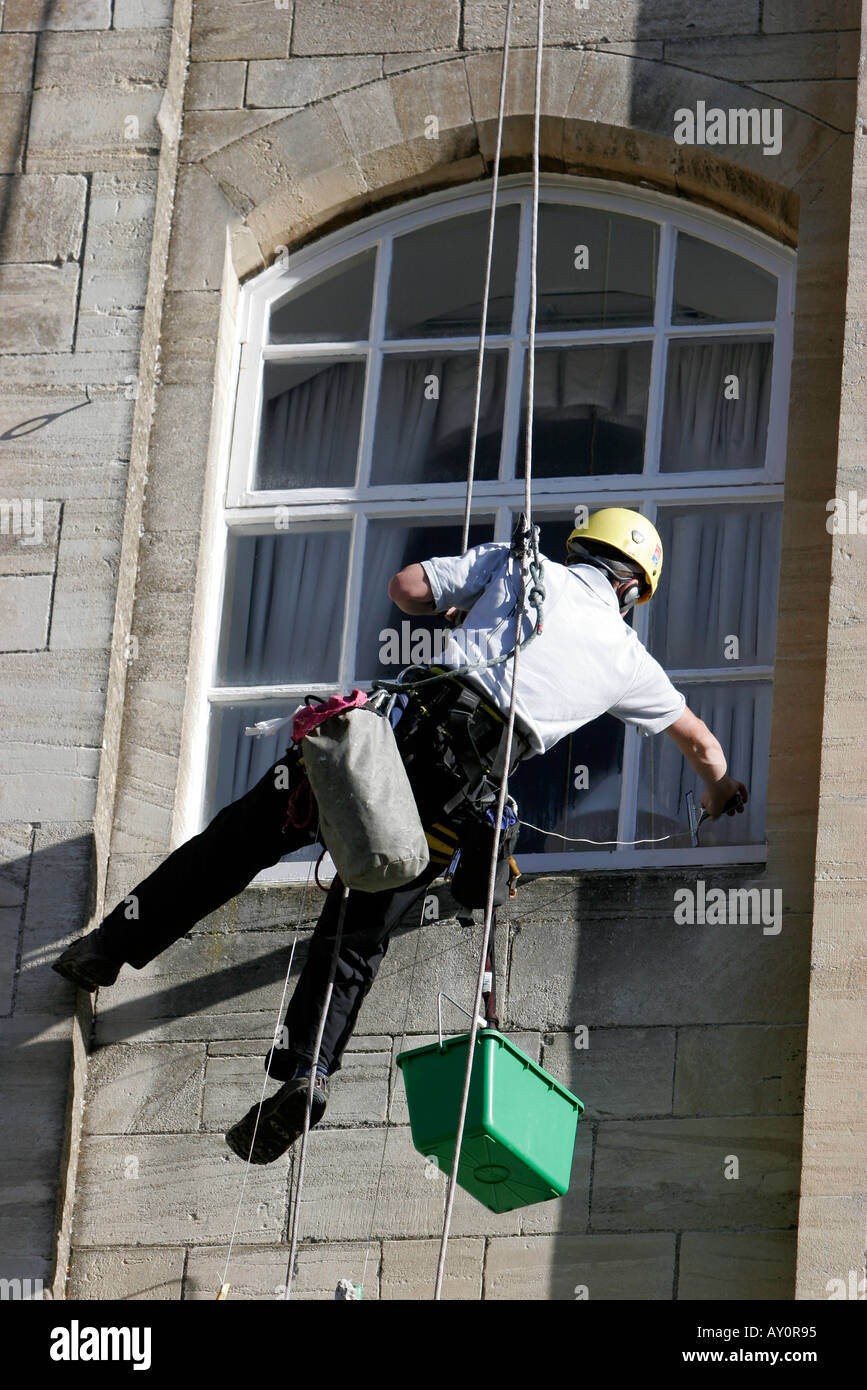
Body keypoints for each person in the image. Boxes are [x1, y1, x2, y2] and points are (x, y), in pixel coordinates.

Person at [53, 508, 747, 1165]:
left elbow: (405, 586)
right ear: (633, 590)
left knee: (236, 844)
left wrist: (455, 606)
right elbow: (701, 743)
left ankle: (105, 951)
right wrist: (719, 793)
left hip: (386, 743)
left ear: (582, 547)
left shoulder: (522, 562)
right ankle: (307, 1071)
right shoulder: (630, 662)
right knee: (355, 938)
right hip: (457, 793)